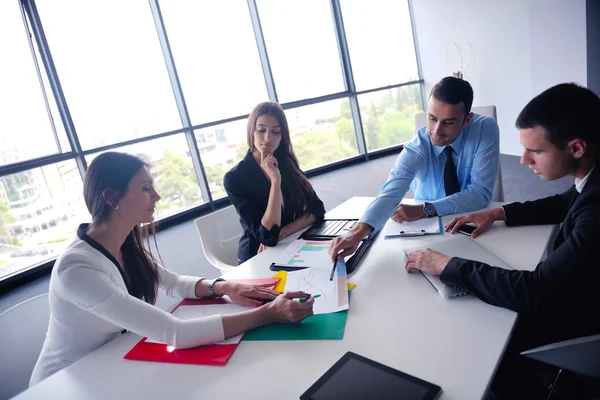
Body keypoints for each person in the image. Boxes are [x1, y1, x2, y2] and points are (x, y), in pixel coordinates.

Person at [30, 152, 314, 385]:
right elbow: (176, 333)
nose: (157, 196)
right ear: (112, 198)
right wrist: (267, 314)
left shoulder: (123, 242)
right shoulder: (77, 268)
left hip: (114, 361)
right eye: (145, 188)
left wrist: (225, 286)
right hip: (67, 382)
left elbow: (174, 282)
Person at [406, 83, 600, 399]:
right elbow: (566, 201)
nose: (522, 161)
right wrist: (498, 213)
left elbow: (535, 293)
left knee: (486, 332)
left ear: (576, 148)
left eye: (536, 151)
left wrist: (447, 265)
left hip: (584, 322)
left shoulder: (595, 212)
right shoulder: (591, 177)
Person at [329, 77, 500, 261]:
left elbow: (479, 193)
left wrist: (425, 209)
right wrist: (356, 233)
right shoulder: (418, 147)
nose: (436, 130)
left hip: (474, 220)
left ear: (467, 120)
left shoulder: (485, 129)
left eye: (448, 122)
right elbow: (391, 193)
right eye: (432, 118)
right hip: (428, 227)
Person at [224, 102, 326, 264]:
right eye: (261, 130)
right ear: (252, 131)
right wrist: (275, 182)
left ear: (282, 135)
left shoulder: (286, 161)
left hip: (290, 244)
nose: (268, 138)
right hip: (257, 257)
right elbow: (267, 237)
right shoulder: (235, 178)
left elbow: (317, 209)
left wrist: (284, 232)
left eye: (276, 132)